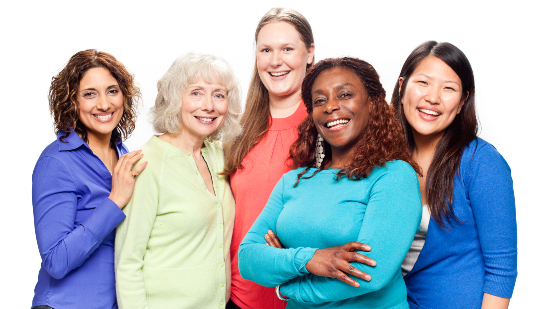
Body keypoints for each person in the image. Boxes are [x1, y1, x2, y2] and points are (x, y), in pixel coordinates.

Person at [239, 57, 423, 308]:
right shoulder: (292, 181)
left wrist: (286, 285)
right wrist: (310, 259)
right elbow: (249, 258)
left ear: (372, 104)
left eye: (345, 94)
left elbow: (370, 274)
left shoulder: (394, 176)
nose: (330, 107)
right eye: (319, 100)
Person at [391, 41, 518, 308]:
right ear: (402, 89)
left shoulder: (481, 162)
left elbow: (501, 270)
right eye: (423, 82)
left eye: (448, 88)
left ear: (462, 103)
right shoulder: (384, 160)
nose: (433, 97)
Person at [115, 52, 241, 309]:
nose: (209, 106)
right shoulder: (147, 163)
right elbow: (128, 262)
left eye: (219, 95)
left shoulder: (218, 155)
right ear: (175, 98)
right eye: (196, 93)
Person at [31, 49, 146, 309]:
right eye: (89, 94)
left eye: (112, 91)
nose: (104, 104)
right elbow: (56, 261)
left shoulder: (126, 157)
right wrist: (114, 201)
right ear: (71, 101)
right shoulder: (57, 162)